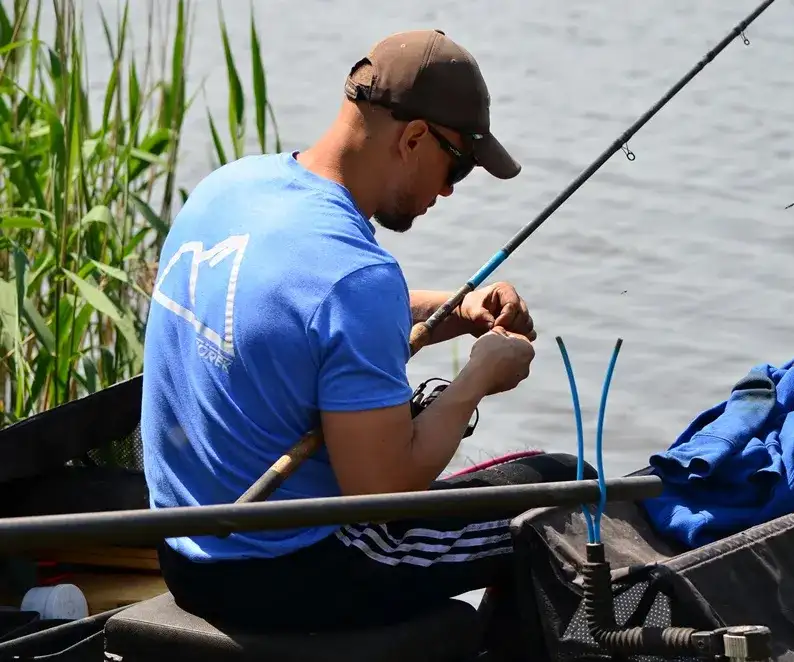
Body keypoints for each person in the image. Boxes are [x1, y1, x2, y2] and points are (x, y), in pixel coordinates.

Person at [140, 28, 593, 636]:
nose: (450, 189)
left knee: (529, 483)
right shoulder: (356, 277)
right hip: (285, 573)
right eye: (455, 165)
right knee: (569, 494)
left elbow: (302, 312)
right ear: (411, 137)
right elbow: (383, 488)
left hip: (184, 552)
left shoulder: (233, 187)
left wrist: (456, 311)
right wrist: (477, 379)